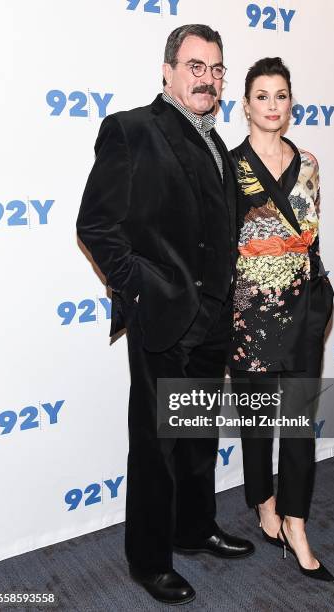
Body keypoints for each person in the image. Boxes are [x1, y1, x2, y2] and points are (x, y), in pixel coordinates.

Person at [76, 24, 254, 606]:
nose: (208, 78)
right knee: (157, 443)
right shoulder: (132, 130)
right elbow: (96, 227)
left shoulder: (219, 146)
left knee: (200, 435)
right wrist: (143, 292)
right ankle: (149, 560)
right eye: (196, 66)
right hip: (165, 317)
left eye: (217, 68)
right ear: (168, 70)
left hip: (213, 319)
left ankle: (194, 527)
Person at [229, 57, 334, 581]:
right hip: (250, 313)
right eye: (262, 95)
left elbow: (312, 235)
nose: (273, 105)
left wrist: (318, 294)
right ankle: (262, 500)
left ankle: (296, 520)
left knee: (298, 422)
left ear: (291, 104)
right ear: (245, 104)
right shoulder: (228, 167)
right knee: (256, 420)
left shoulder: (310, 163)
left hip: (304, 307)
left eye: (282, 95)